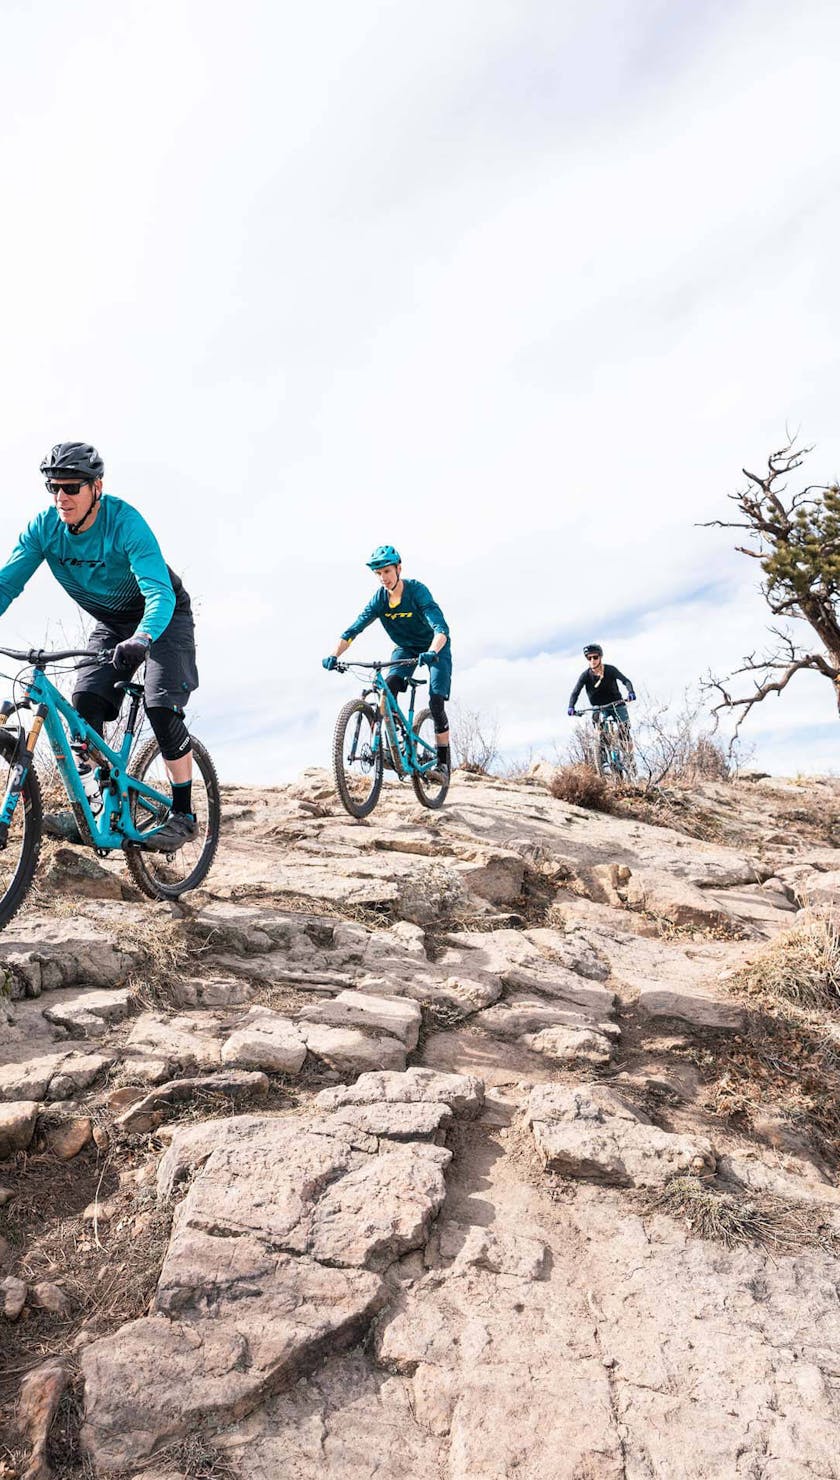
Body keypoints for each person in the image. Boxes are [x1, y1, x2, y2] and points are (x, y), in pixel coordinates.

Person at [0, 442, 198, 850]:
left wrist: (143, 638)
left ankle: (183, 814)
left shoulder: (125, 524)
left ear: (97, 487)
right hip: (112, 623)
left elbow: (158, 593)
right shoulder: (45, 528)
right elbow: (6, 584)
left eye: (71, 487)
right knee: (83, 705)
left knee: (160, 705)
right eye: (53, 487)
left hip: (163, 618)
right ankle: (97, 805)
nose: (61, 497)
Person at [323, 544, 452, 777]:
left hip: (435, 648)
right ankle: (392, 747)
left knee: (436, 701)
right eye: (378, 573)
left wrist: (432, 650)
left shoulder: (416, 591)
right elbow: (354, 630)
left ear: (398, 569)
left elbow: (441, 628)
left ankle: (443, 764)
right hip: (405, 649)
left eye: (387, 572)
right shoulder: (380, 600)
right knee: (388, 687)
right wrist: (334, 655)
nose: (383, 578)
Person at [568, 643, 636, 745]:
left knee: (624, 731)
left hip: (616, 704)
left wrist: (631, 692)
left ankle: (629, 757)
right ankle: (602, 755)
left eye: (595, 657)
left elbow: (625, 681)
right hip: (598, 707)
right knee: (599, 731)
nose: (592, 661)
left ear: (600, 657)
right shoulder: (585, 676)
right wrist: (571, 706)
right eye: (589, 658)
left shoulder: (610, 670)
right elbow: (575, 692)